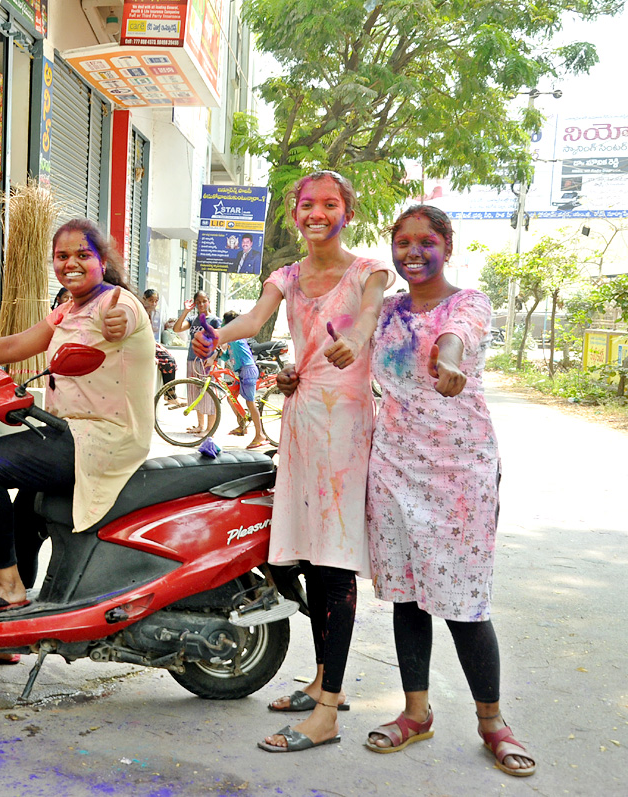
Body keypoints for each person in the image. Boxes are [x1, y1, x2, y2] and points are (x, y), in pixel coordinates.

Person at [195, 170, 392, 752]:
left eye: (330, 204)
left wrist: (353, 340)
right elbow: (254, 322)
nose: (317, 213)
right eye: (308, 204)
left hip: (347, 428)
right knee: (295, 559)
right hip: (302, 419)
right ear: (295, 213)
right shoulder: (284, 275)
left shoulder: (367, 270)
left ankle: (327, 711)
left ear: (347, 212)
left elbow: (371, 313)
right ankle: (322, 679)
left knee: (332, 562)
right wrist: (213, 338)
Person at [359, 206, 534, 776]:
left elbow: (459, 338)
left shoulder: (469, 303)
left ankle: (492, 722)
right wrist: (297, 375)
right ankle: (416, 713)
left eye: (426, 241)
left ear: (447, 246)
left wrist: (450, 359)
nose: (413, 251)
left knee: (463, 601)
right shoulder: (384, 313)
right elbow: (345, 359)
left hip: (460, 474)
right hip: (392, 466)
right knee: (407, 595)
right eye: (402, 241)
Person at [0, 218, 154, 614]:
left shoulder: (117, 304)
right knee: (25, 516)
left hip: (104, 437)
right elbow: (18, 344)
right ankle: (11, 613)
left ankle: (6, 582)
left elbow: (123, 322)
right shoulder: (68, 307)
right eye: (61, 256)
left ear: (103, 259)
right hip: (67, 431)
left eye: (83, 255)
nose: (70, 263)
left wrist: (120, 324)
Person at [173, 291, 220, 436]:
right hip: (192, 360)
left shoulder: (214, 320)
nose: (201, 304)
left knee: (209, 395)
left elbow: (220, 340)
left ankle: (209, 429)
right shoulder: (193, 319)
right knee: (195, 393)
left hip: (207, 362)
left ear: (209, 301)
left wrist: (213, 358)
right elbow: (176, 329)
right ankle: (200, 425)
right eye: (198, 302)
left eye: (204, 301)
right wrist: (186, 311)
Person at [219, 311, 267, 448]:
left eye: (224, 323)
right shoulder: (232, 339)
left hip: (248, 370)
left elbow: (224, 337)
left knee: (250, 404)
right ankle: (242, 425)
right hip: (241, 372)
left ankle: (260, 435)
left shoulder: (237, 337)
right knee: (231, 397)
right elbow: (226, 357)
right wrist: (220, 352)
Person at [142, 289, 177, 401]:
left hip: (149, 342)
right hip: (143, 344)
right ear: (144, 299)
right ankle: (170, 395)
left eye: (156, 301)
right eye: (151, 300)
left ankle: (170, 394)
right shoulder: (141, 312)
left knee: (171, 360)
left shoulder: (151, 314)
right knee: (168, 361)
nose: (154, 303)